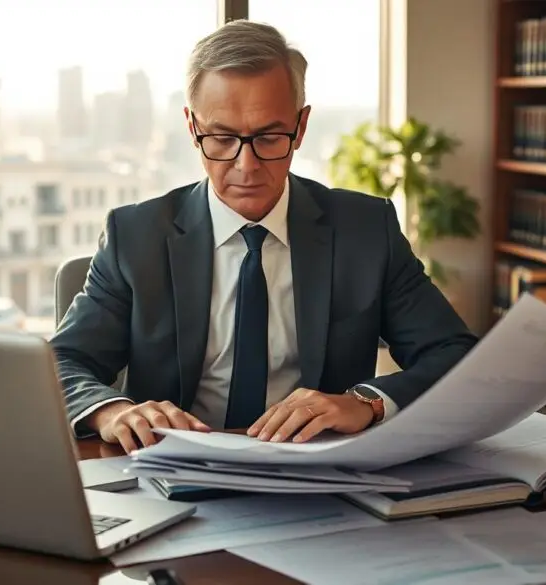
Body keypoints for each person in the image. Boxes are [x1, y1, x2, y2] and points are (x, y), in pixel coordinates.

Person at [51, 20, 478, 454]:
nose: (246, 165)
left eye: (270, 137)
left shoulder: (366, 230)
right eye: (221, 138)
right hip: (171, 473)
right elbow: (62, 362)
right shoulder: (136, 235)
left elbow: (455, 355)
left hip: (317, 472)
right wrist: (111, 411)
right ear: (192, 127)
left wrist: (365, 402)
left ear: (301, 126)